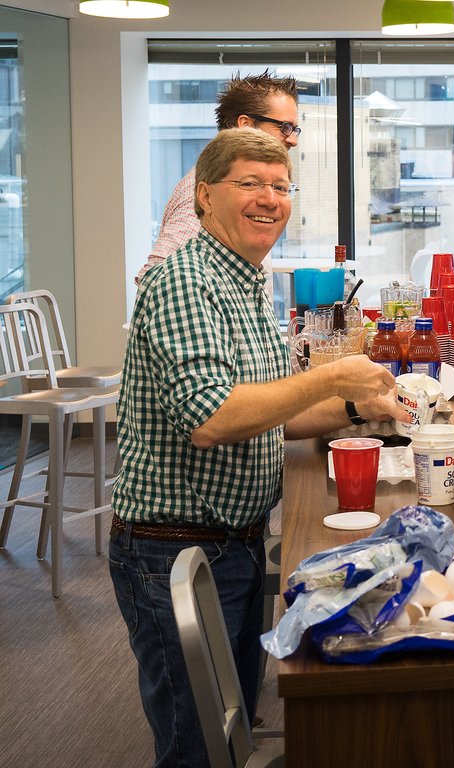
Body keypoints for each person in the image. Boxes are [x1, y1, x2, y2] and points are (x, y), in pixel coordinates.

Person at [111, 128, 408, 767]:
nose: (268, 198)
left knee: (233, 724)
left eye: (280, 186)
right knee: (197, 747)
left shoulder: (246, 281)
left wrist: (359, 406)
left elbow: (274, 410)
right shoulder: (186, 282)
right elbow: (213, 418)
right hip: (173, 551)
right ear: (204, 198)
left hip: (234, 542)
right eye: (249, 183)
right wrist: (331, 376)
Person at [136, 70, 301, 286]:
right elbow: (156, 276)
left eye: (295, 129)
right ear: (246, 125)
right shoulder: (214, 187)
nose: (292, 140)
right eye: (284, 127)